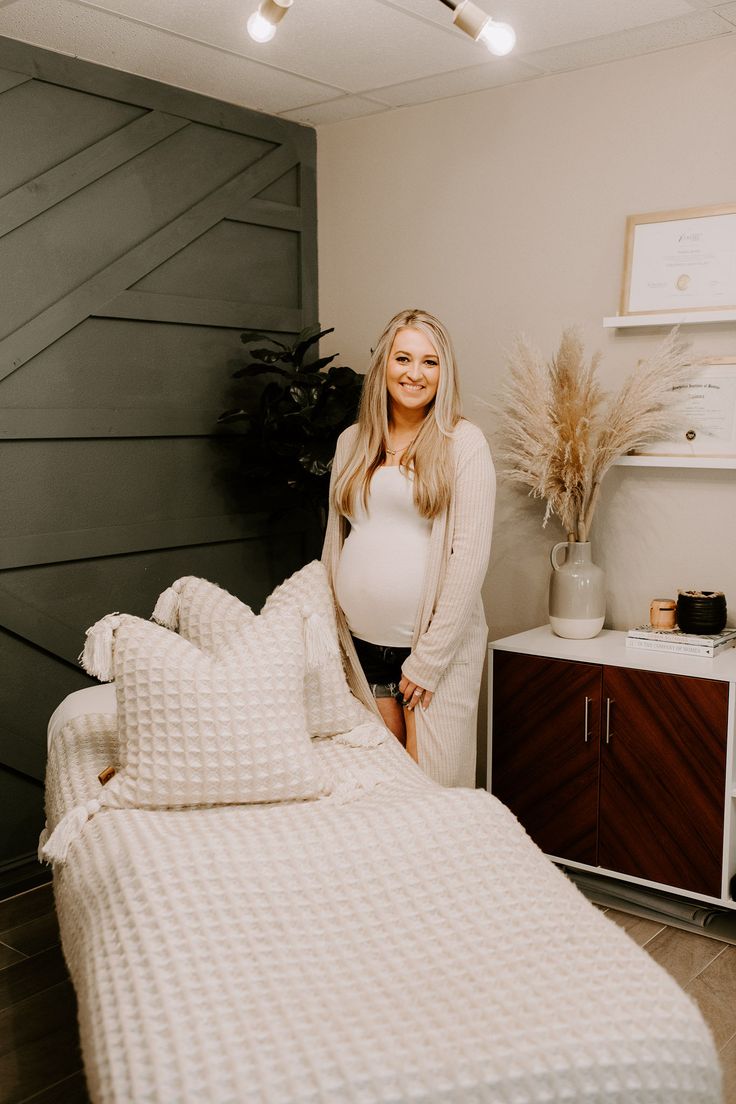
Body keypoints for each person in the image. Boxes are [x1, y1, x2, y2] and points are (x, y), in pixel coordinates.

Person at [322, 309, 495, 788]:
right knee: (379, 789)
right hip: (359, 649)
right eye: (403, 358)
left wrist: (430, 659)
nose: (414, 374)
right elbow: (335, 543)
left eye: (430, 362)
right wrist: (328, 639)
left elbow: (469, 558)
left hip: (429, 654)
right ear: (384, 365)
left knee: (431, 791)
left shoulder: (464, 443)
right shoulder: (351, 442)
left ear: (445, 373)